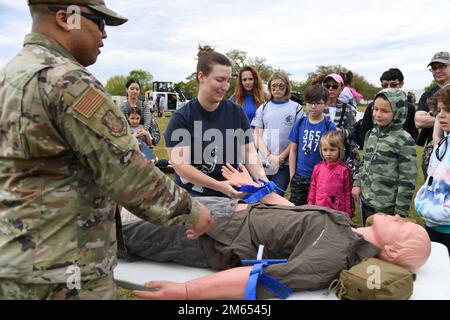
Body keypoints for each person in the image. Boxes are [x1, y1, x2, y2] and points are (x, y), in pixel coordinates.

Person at [0, 1, 212, 300]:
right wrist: (191, 212)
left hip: (19, 260)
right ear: (65, 18)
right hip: (65, 269)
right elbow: (129, 174)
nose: (104, 34)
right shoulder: (68, 82)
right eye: (98, 21)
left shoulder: (12, 74)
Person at [124, 165, 431, 300]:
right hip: (225, 210)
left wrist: (187, 292)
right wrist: (258, 190)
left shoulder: (334, 255)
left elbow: (263, 280)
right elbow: (296, 212)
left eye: (403, 226)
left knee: (121, 236)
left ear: (392, 251)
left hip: (213, 236)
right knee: (137, 206)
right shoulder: (345, 224)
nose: (398, 216)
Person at [164, 45, 268, 198]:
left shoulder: (236, 112)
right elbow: (181, 166)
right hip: (192, 196)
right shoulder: (182, 117)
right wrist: (219, 186)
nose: (226, 87)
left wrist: (263, 183)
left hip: (230, 193)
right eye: (220, 80)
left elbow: (248, 152)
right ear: (201, 77)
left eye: (228, 80)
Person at [352, 89, 417, 225]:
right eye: (375, 109)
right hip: (367, 201)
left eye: (384, 111)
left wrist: (400, 213)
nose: (378, 114)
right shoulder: (371, 134)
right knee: (369, 239)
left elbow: (407, 180)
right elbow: (365, 162)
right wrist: (357, 183)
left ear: (398, 111)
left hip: (387, 208)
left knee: (384, 244)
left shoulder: (404, 140)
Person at [251, 72, 305, 196]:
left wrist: (281, 158)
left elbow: (297, 137)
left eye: (281, 86)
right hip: (264, 161)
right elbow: (257, 135)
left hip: (284, 164)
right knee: (261, 195)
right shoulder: (263, 108)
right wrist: (269, 156)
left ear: (287, 87)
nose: (277, 89)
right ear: (269, 87)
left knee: (276, 196)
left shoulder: (296, 108)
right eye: (273, 86)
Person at [415, 85, 450, 255]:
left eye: (447, 110)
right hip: (432, 223)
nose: (440, 115)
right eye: (439, 110)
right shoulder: (443, 144)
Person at [288, 84, 336, 205]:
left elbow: (334, 155)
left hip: (320, 177)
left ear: (325, 104)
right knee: (297, 211)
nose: (313, 107)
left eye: (317, 103)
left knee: (316, 212)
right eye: (310, 103)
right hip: (299, 176)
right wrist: (292, 175)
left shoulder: (329, 126)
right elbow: (293, 150)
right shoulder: (300, 123)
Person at [356, 68, 418, 149]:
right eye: (385, 85)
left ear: (401, 84)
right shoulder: (372, 106)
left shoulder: (409, 107)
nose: (389, 88)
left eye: (393, 85)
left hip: (398, 154)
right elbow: (363, 134)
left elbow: (413, 135)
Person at [415, 51, 450, 176]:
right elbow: (418, 121)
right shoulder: (428, 94)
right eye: (434, 68)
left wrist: (431, 114)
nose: (437, 70)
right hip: (433, 150)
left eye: (442, 66)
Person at [308, 131, 353, 219]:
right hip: (319, 210)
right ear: (321, 150)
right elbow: (313, 189)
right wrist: (310, 207)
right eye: (325, 150)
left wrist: (349, 214)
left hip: (337, 211)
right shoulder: (317, 167)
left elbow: (348, 194)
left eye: (332, 150)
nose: (328, 153)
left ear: (339, 149)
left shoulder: (345, 169)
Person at [120, 79, 160, 146]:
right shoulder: (122, 106)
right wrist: (133, 135)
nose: (135, 91)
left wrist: (142, 133)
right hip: (128, 137)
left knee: (147, 154)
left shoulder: (144, 104)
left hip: (143, 135)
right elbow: (122, 123)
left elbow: (148, 120)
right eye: (132, 88)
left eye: (137, 89)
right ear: (127, 89)